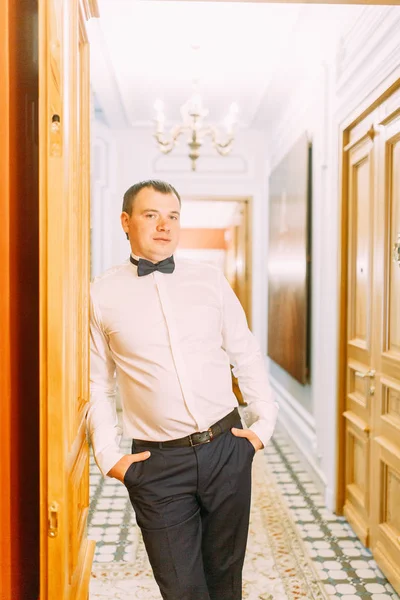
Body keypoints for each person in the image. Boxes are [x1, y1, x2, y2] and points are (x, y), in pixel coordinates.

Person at [87, 180, 278, 600]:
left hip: (226, 447)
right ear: (126, 221)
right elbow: (96, 384)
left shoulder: (210, 281)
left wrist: (263, 426)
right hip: (157, 465)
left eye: (172, 216)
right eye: (151, 214)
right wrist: (109, 456)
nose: (164, 226)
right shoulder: (100, 294)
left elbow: (245, 352)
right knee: (181, 588)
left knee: (226, 580)